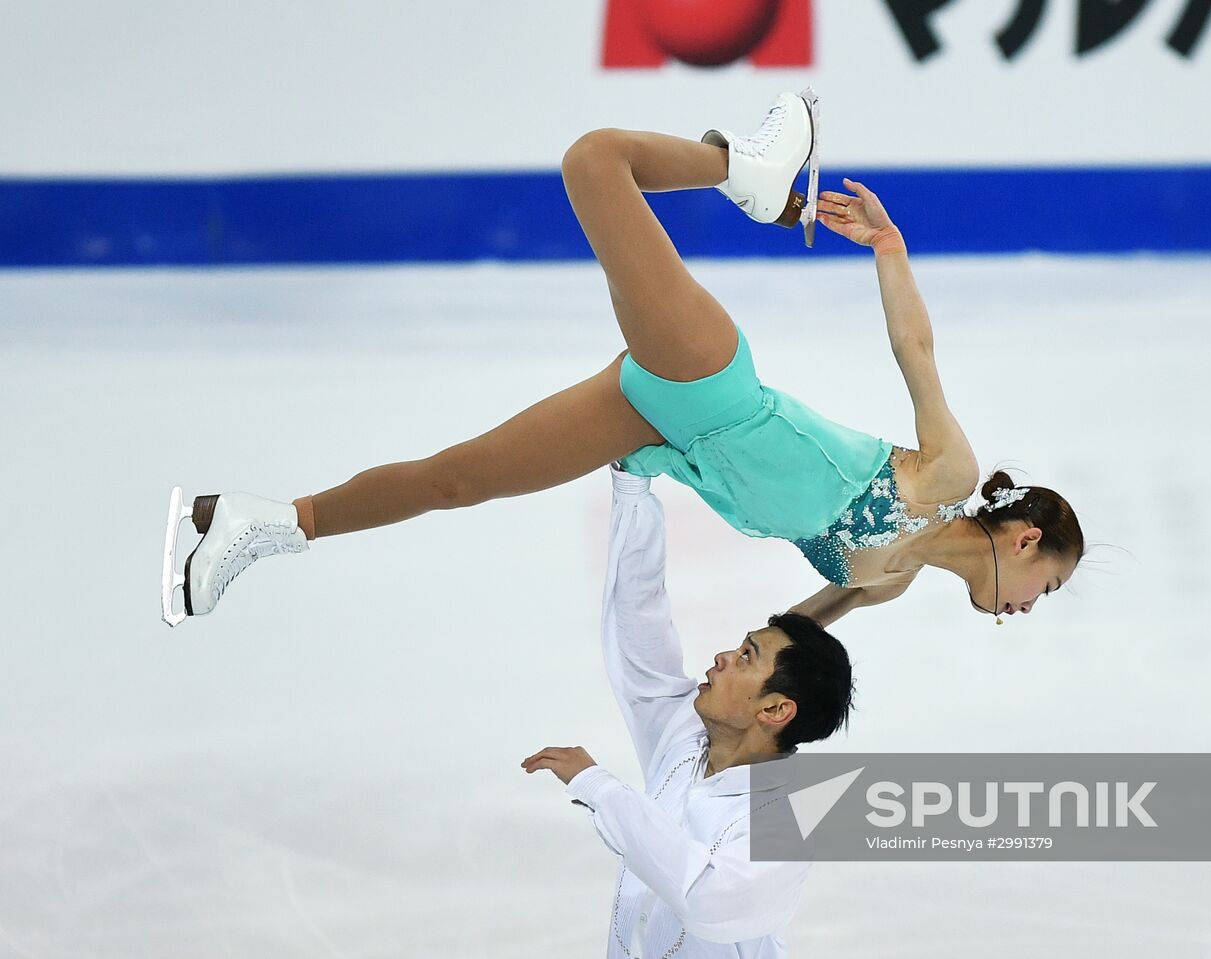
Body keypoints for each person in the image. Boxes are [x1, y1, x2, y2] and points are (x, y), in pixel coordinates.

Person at [162, 91, 1083, 629]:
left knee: (457, 480)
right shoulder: (947, 476)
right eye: (1048, 587)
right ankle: (746, 174)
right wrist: (891, 248)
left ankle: (264, 523)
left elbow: (782, 645)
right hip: (713, 386)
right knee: (594, 161)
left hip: (658, 426)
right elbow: (913, 350)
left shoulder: (881, 585)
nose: (1030, 608)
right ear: (1027, 540)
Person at [521, 466, 852, 956]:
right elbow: (639, 623)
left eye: (746, 658)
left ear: (777, 709)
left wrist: (600, 788)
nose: (723, 657)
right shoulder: (687, 735)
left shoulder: (788, 821)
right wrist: (632, 487)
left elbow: (708, 899)